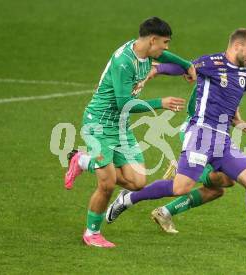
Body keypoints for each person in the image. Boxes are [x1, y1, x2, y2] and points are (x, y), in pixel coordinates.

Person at [106, 28, 246, 247]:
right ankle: (129, 198)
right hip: (201, 133)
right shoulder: (212, 63)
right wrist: (158, 70)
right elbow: (184, 66)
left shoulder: (245, 72)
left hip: (222, 139)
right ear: (237, 46)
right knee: (181, 188)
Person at [64, 16, 196, 248]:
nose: (166, 48)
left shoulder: (145, 52)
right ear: (153, 40)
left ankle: (81, 160)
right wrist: (160, 102)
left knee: (136, 183)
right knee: (107, 184)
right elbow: (123, 102)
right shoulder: (124, 62)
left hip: (121, 127)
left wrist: (187, 65)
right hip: (99, 125)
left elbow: (166, 57)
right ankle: (91, 233)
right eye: (165, 43)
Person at [150, 63, 246, 233]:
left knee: (217, 189)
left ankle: (165, 212)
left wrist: (245, 125)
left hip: (214, 137)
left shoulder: (234, 82)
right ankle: (181, 171)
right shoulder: (214, 75)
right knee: (223, 180)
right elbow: (186, 66)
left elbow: (233, 118)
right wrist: (158, 68)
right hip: (196, 132)